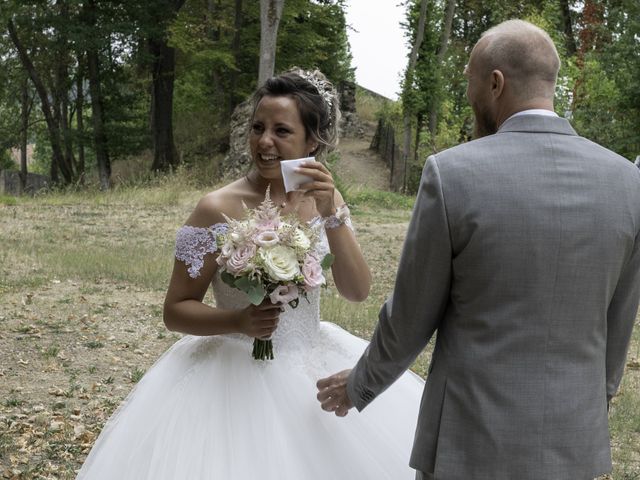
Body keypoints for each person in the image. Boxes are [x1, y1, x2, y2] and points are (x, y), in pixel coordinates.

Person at [317, 19, 640, 480]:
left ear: (495, 83)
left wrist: (359, 384)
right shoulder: (628, 182)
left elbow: (411, 316)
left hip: (469, 440)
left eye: (470, 83)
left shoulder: (452, 174)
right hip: (574, 440)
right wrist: (593, 405)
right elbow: (619, 321)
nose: (470, 99)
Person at [75, 69, 424, 479]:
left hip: (309, 360)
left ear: (312, 141)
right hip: (230, 376)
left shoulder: (325, 200)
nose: (264, 141)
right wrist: (237, 320)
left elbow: (357, 291)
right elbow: (175, 310)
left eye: (281, 130)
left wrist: (332, 213)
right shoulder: (216, 207)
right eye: (257, 127)